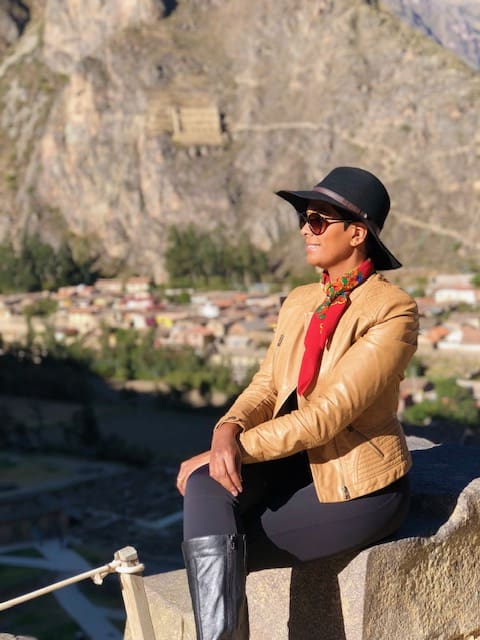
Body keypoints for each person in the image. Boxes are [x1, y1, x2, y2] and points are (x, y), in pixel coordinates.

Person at [176, 166, 419, 640]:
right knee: (206, 493)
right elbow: (267, 385)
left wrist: (235, 449)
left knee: (217, 542)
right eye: (304, 220)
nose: (306, 230)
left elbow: (327, 417)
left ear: (357, 233)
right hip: (291, 466)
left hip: (356, 486)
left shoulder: (392, 310)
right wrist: (226, 430)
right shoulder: (301, 301)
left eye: (318, 220)